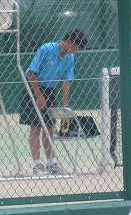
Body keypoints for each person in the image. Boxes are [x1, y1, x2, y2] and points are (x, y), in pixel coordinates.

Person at [18, 28, 88, 176]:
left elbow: (66, 81)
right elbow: (31, 72)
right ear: (69, 42)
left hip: (50, 90)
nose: (76, 52)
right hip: (34, 87)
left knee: (49, 127)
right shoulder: (46, 49)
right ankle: (37, 165)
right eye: (76, 48)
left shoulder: (69, 58)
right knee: (36, 127)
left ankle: (51, 163)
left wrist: (63, 108)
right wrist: (38, 96)